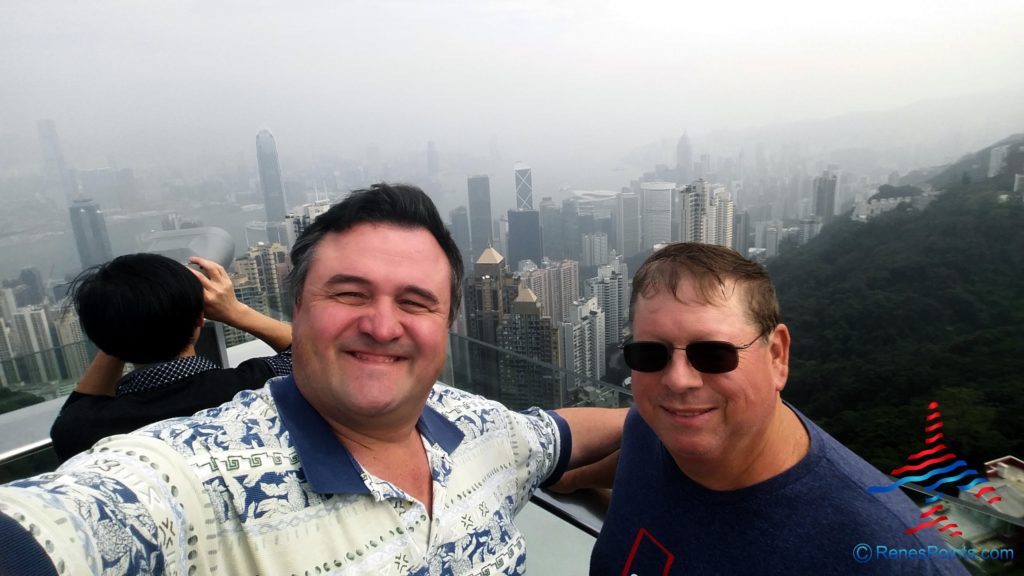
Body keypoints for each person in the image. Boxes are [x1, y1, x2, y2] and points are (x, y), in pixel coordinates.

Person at [0, 183, 625, 575]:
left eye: (416, 302)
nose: (382, 326)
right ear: (295, 308)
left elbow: (558, 432)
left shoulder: (472, 423)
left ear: (447, 322)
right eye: (348, 293)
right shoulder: (187, 475)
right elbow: (62, 528)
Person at [591, 243, 967, 575]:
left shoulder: (891, 556)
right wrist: (560, 469)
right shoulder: (651, 429)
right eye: (649, 354)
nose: (677, 380)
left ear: (776, 356)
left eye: (713, 353)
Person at [49, 253, 293, 462]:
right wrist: (234, 311)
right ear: (200, 318)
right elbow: (307, 351)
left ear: (100, 338)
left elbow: (77, 409)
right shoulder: (261, 386)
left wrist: (119, 323)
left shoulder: (81, 431)